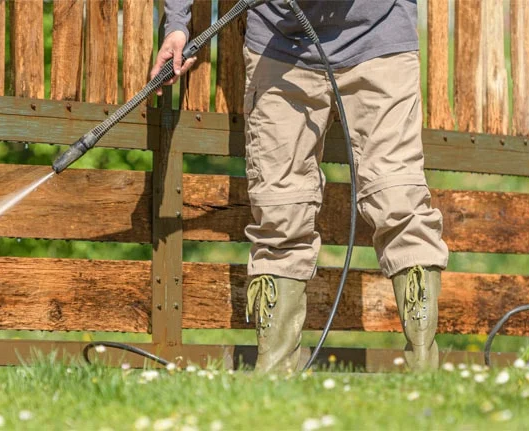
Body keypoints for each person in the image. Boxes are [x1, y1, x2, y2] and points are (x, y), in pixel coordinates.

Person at [153, 0, 449, 372]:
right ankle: (275, 371)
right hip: (279, 48)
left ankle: (425, 370)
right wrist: (177, 24)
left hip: (379, 39)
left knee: (399, 199)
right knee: (280, 209)